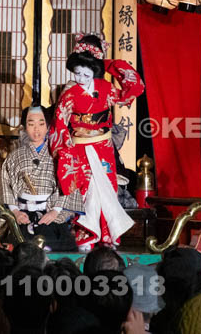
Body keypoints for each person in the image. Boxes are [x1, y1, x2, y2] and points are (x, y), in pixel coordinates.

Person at [49, 34, 144, 252]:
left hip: (103, 148)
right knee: (87, 191)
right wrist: (65, 149)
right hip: (79, 147)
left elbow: (132, 89)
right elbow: (60, 124)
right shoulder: (69, 94)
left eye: (86, 73)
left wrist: (112, 66)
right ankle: (85, 235)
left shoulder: (107, 89)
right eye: (77, 73)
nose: (81, 77)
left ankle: (108, 235)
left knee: (107, 191)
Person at [0, 105, 81, 252]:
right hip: (23, 215)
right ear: (24, 127)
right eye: (31, 124)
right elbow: (5, 186)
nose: (36, 129)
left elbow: (68, 185)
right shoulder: (14, 157)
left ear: (48, 126)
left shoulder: (58, 155)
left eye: (41, 124)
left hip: (49, 215)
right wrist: (16, 212)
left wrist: (55, 211)